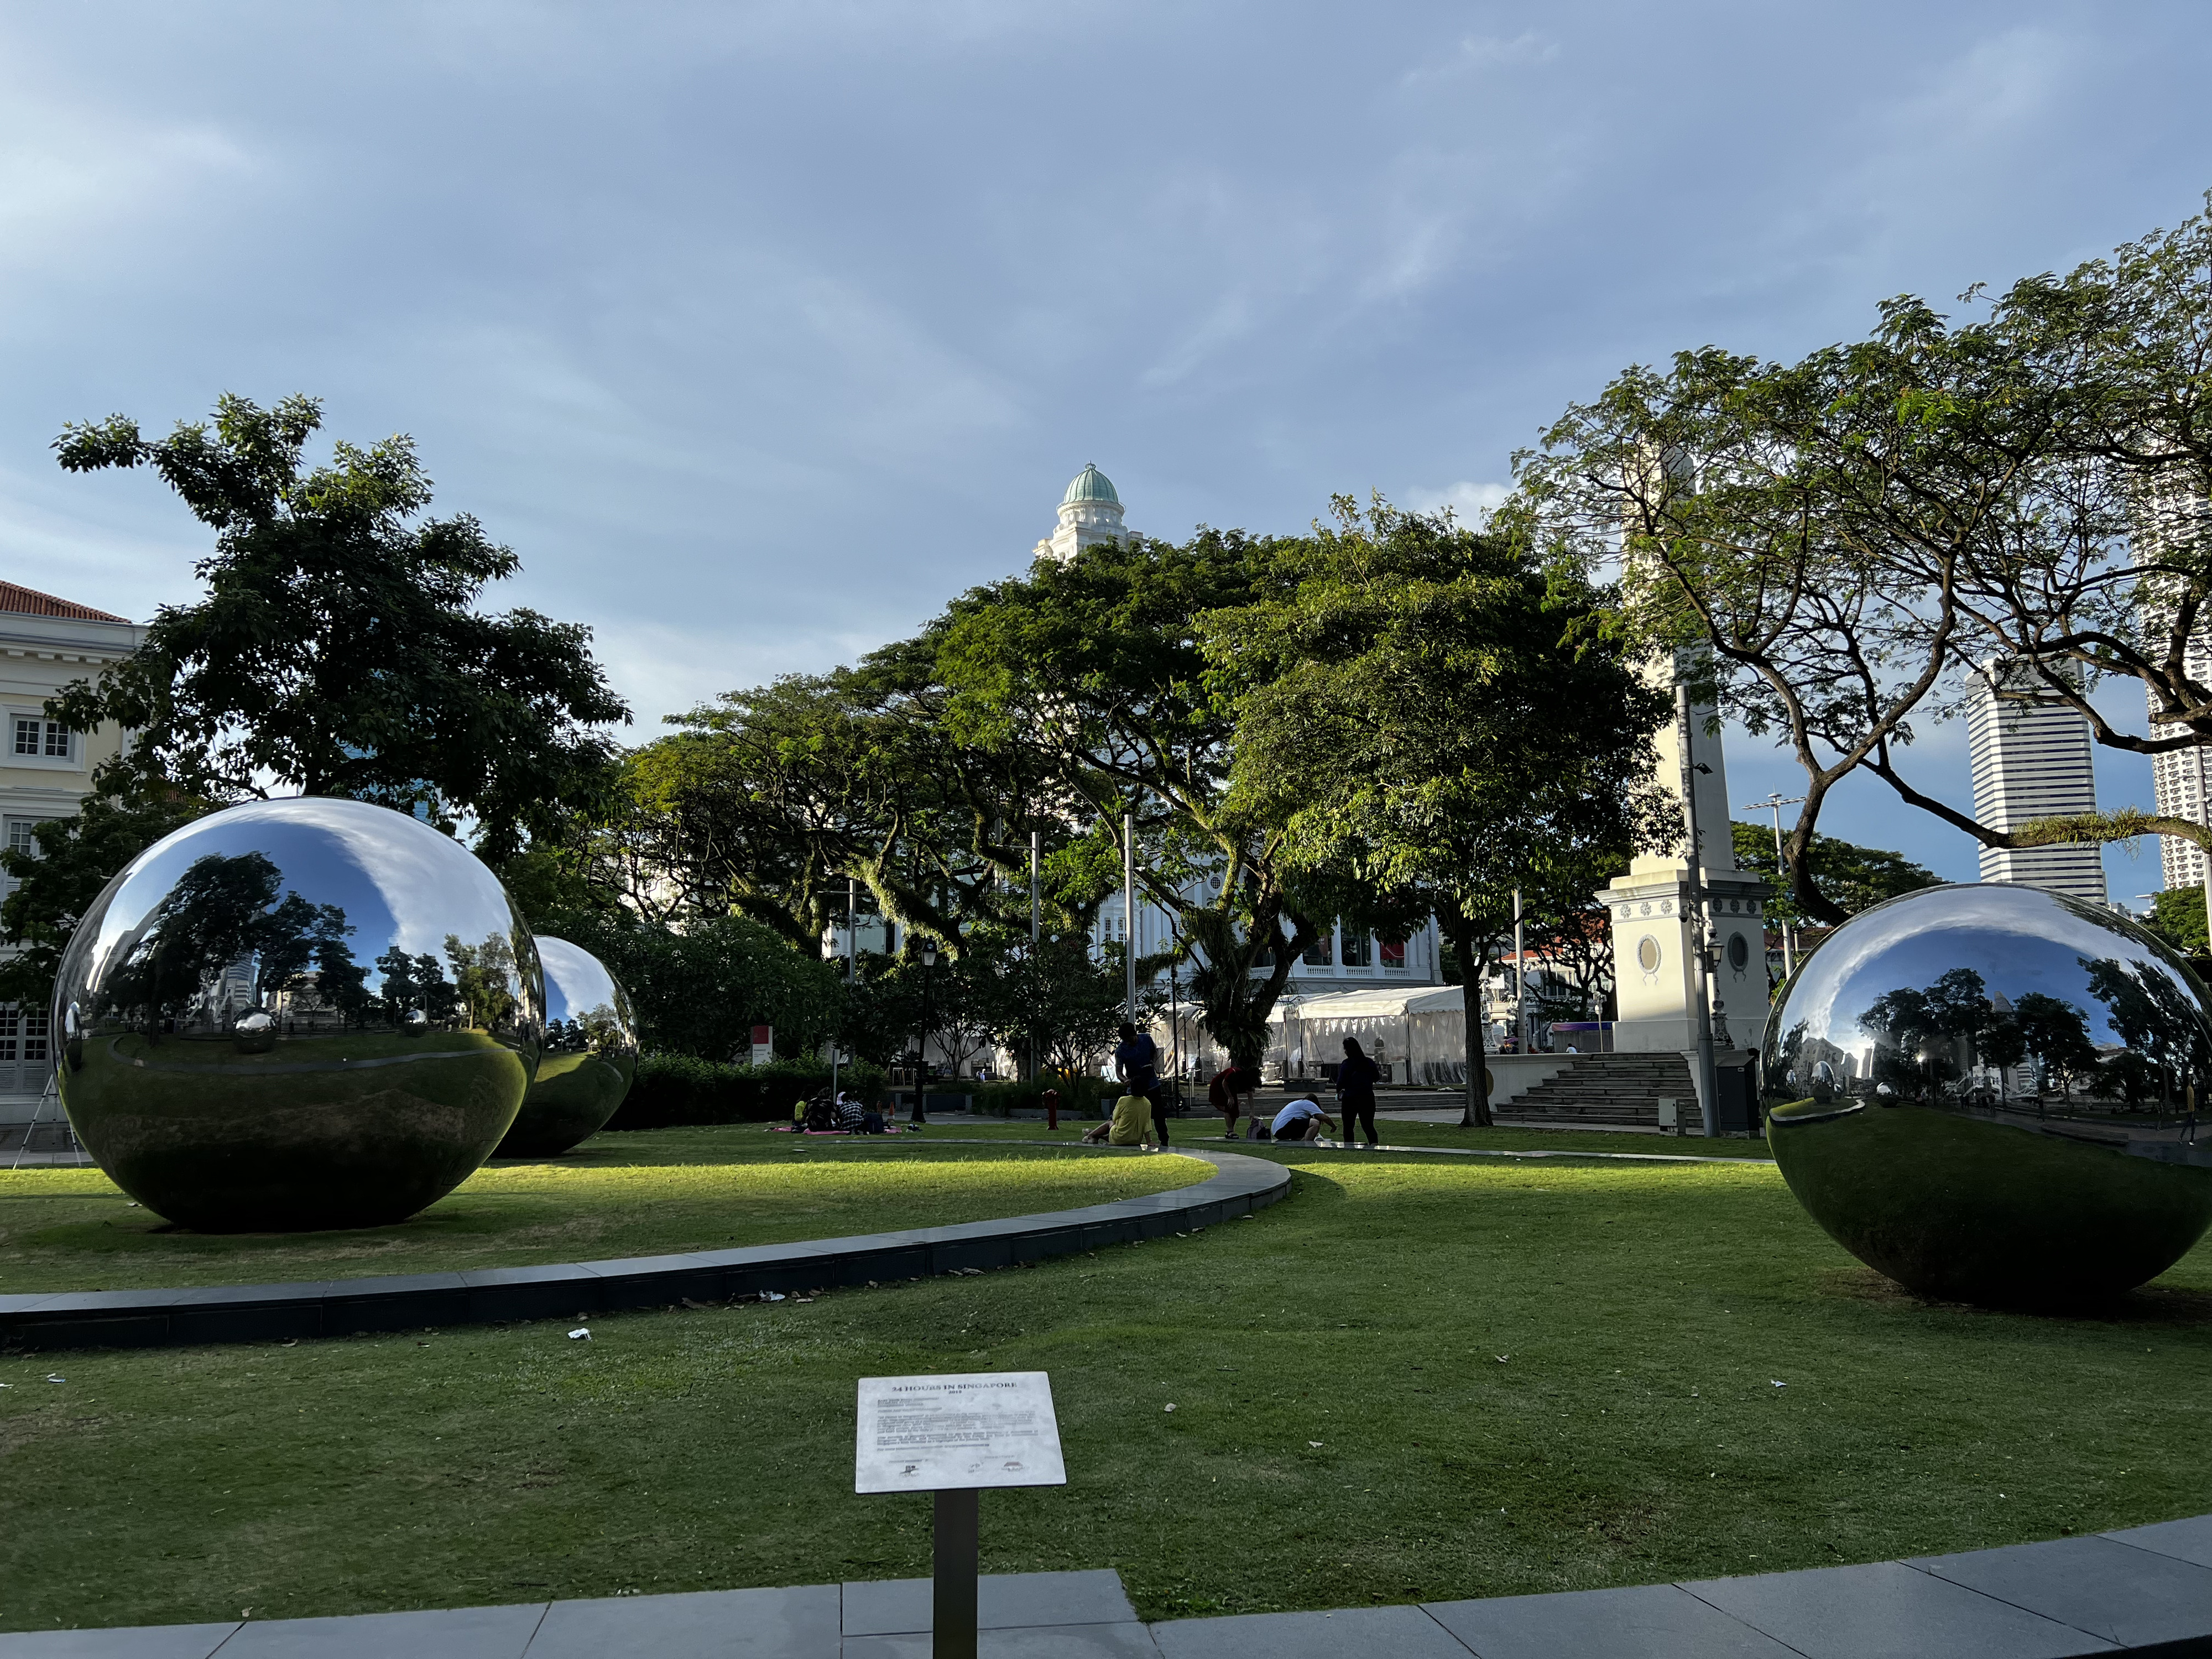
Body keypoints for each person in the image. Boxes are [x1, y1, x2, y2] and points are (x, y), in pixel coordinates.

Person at [1113, 1021, 1170, 1147]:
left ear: (1135, 1034)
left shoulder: (1146, 1039)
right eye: (1126, 1040)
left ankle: (1164, 1139)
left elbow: (1154, 1052)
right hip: (1135, 1085)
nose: (1130, 1042)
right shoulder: (1121, 1050)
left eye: (1131, 1038)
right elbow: (1119, 1072)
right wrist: (1124, 1080)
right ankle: (1126, 1137)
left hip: (1151, 1082)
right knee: (1132, 1113)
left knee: (1158, 1113)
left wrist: (1152, 1063)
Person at [1334, 1037, 1381, 1148]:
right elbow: (1376, 1077)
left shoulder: (1346, 1064)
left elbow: (1340, 1082)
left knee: (1348, 1126)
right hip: (1367, 1097)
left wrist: (1339, 1092)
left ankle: (1349, 1147)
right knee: (1368, 1125)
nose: (1344, 1051)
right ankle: (1374, 1145)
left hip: (1350, 1098)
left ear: (1348, 1050)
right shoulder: (1368, 1062)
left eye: (1345, 1049)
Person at [1207, 1061, 1260, 1140]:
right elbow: (1224, 1083)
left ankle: (1231, 1131)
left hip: (1230, 1089)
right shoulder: (1235, 1073)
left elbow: (1250, 1096)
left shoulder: (1247, 1082)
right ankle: (1230, 1130)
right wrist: (1230, 1097)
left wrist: (1252, 1112)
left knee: (1235, 1111)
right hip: (1219, 1086)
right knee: (1228, 1108)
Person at [1269, 1096, 1336, 1144]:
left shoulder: (1297, 1103)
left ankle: (1300, 1141)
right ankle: (1307, 1144)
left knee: (1306, 1125)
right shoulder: (1308, 1103)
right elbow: (1325, 1118)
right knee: (1315, 1123)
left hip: (1276, 1132)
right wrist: (1333, 1126)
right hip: (1283, 1128)